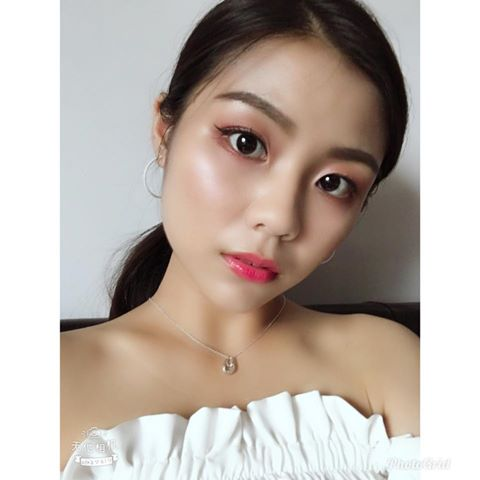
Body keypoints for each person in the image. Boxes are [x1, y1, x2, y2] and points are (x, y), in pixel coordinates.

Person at [60, 0, 419, 478]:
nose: (279, 218)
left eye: (334, 183)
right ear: (165, 132)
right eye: (245, 142)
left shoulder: (388, 362)